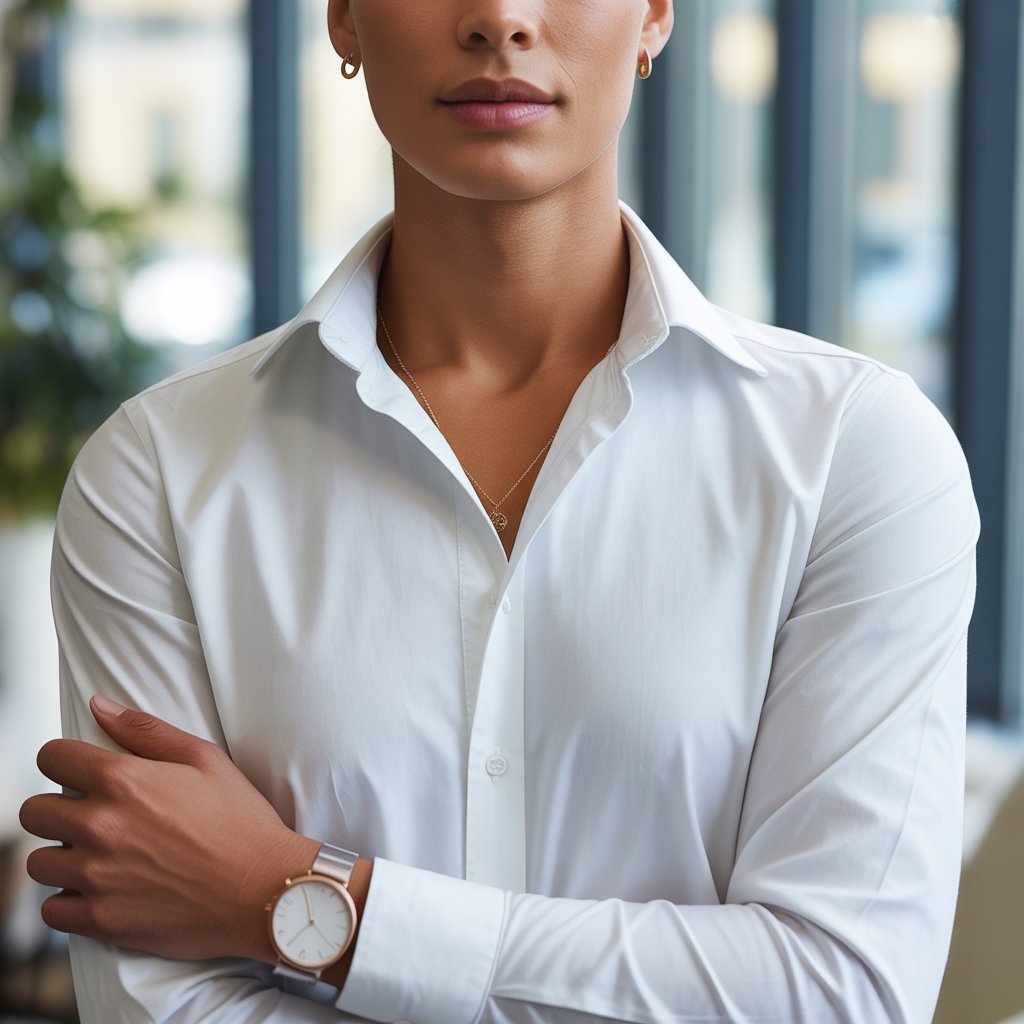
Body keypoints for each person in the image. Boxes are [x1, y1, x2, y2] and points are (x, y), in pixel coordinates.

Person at [19, 1, 979, 1021]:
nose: (500, 19)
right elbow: (159, 1004)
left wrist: (294, 896)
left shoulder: (854, 454)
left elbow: (840, 993)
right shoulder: (159, 473)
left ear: (654, 15)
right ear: (345, 17)